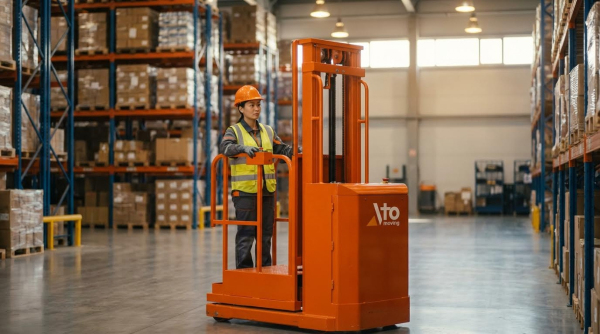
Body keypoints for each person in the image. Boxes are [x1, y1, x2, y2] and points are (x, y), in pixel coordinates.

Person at [220, 85, 293, 269]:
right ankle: (245, 275)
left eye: (258, 105)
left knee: (265, 234)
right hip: (245, 193)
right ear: (241, 108)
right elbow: (225, 148)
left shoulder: (268, 131)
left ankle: (265, 271)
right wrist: (243, 149)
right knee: (246, 236)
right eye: (251, 105)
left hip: (266, 191)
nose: (256, 109)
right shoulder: (234, 130)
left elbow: (281, 149)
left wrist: (298, 151)